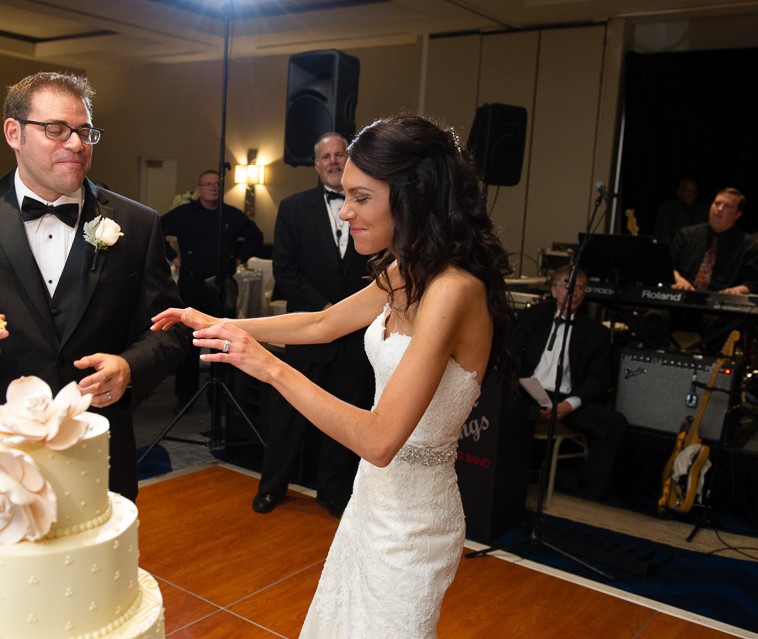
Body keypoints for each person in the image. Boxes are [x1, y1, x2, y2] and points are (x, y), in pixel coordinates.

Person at [153, 115, 517, 638]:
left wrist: (269, 366)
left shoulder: (453, 290)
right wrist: (222, 323)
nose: (346, 213)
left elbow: (379, 439)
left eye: (361, 197)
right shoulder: (405, 271)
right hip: (371, 500)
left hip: (414, 524)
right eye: (344, 196)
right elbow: (324, 323)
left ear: (413, 195)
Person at [0, 72, 189, 502]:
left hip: (97, 449)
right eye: (56, 130)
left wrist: (129, 368)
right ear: (14, 132)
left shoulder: (138, 223)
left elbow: (171, 331)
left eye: (85, 132)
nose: (76, 144)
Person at [252, 132, 374, 518]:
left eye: (341, 154)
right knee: (288, 416)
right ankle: (272, 488)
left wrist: (349, 316)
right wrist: (326, 311)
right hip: (308, 331)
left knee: (344, 416)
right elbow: (286, 270)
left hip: (356, 339)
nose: (334, 161)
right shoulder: (293, 207)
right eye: (327, 156)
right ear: (316, 164)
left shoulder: (371, 207)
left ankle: (332, 492)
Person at [515, 265, 627, 498]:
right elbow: (515, 360)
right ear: (554, 290)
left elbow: (599, 379)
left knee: (614, 422)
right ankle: (510, 480)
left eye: (579, 288)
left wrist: (568, 406)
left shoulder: (596, 332)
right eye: (568, 286)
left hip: (566, 398)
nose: (573, 292)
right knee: (504, 404)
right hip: (529, 390)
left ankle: (590, 491)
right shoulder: (531, 317)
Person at [160, 169, 263, 411]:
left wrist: (237, 259)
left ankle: (219, 396)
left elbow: (256, 237)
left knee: (223, 341)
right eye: (207, 184)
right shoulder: (185, 213)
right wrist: (173, 257)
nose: (213, 188)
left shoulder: (231, 215)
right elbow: (157, 230)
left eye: (217, 184)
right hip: (191, 285)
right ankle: (184, 397)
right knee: (187, 342)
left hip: (221, 286)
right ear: (199, 189)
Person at [671, 188, 757, 294]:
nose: (720, 209)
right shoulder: (687, 234)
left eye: (727, 206)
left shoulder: (748, 245)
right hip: (679, 297)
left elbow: (752, 281)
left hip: (721, 305)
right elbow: (669, 265)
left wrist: (736, 291)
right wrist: (679, 280)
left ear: (737, 214)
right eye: (717, 203)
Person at [654, 179, 708, 245]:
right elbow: (663, 236)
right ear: (679, 191)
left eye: (693, 191)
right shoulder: (668, 209)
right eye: (687, 190)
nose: (691, 194)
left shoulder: (703, 211)